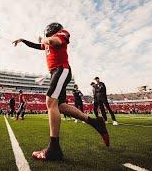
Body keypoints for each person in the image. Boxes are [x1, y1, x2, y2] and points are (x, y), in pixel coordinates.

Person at [13, 22, 109, 161]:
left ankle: (54, 150)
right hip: (56, 72)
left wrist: (43, 39)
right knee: (60, 106)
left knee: (50, 102)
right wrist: (23, 40)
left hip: (61, 69)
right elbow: (38, 45)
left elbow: (54, 41)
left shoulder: (61, 33)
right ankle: (95, 123)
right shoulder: (46, 42)